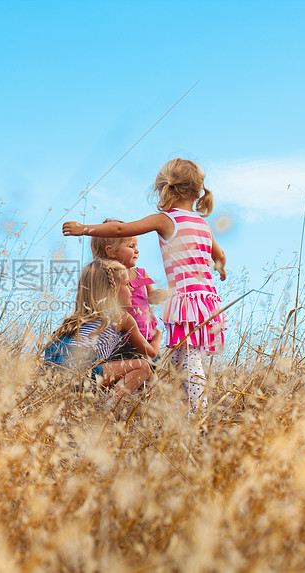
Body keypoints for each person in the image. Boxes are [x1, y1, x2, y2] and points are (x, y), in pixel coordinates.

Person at [62, 158, 226, 413]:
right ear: (196, 191)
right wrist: (220, 269)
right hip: (207, 298)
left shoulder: (166, 220)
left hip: (187, 300)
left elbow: (119, 229)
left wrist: (85, 229)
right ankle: (183, 410)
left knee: (189, 361)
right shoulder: (203, 224)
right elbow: (220, 256)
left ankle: (198, 413)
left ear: (166, 189)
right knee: (182, 358)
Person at [43, 258, 158, 405]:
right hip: (80, 372)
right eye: (126, 284)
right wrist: (157, 336)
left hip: (53, 375)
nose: (132, 289)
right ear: (112, 290)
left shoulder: (78, 320)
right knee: (144, 368)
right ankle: (109, 407)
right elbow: (151, 353)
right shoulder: (122, 317)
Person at [90, 219, 164, 361]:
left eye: (136, 246)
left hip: (146, 337)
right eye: (131, 246)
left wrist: (159, 295)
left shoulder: (141, 273)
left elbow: (151, 296)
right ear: (111, 251)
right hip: (120, 342)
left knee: (150, 373)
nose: (137, 250)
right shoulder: (107, 277)